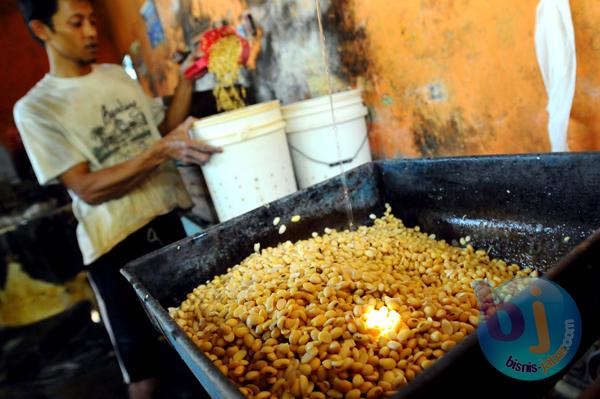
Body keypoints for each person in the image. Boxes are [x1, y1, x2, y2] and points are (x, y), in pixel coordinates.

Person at [13, 1, 221, 398]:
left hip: (165, 225)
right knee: (144, 373)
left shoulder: (114, 76)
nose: (91, 31)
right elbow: (87, 188)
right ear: (42, 30)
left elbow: (159, 132)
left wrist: (187, 78)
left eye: (92, 21)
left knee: (202, 337)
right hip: (114, 247)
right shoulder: (37, 108)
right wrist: (160, 151)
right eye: (76, 23)